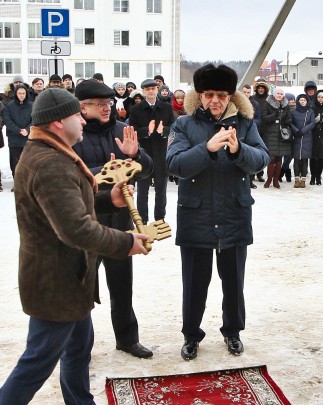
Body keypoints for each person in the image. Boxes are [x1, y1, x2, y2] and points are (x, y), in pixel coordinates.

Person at [0, 88, 148, 405]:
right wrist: (126, 242)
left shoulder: (51, 152)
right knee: (36, 364)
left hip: (70, 279)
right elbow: (75, 228)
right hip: (56, 284)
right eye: (76, 115)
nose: (83, 119)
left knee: (79, 349)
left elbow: (67, 205)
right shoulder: (50, 162)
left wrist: (110, 199)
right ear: (57, 122)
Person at [166, 64, 269, 361]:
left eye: (221, 95)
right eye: (209, 94)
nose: (215, 101)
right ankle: (191, 335)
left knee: (234, 281)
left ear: (230, 97)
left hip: (234, 213)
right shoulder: (183, 125)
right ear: (199, 96)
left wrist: (239, 152)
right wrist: (208, 149)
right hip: (196, 215)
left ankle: (233, 331)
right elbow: (175, 164)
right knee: (195, 282)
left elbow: (261, 158)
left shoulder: (245, 124)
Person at [73, 79, 155, 359]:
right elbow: (70, 175)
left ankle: (127, 339)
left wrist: (136, 155)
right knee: (83, 289)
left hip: (120, 223)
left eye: (109, 103)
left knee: (122, 286)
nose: (106, 108)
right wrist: (106, 169)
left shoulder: (123, 130)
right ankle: (80, 347)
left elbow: (146, 170)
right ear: (82, 108)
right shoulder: (75, 135)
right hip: (87, 223)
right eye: (99, 104)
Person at [129, 79, 175, 222]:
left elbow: (174, 128)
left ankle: (160, 218)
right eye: (147, 89)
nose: (150, 91)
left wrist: (164, 131)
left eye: (153, 88)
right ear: (143, 91)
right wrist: (146, 131)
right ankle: (142, 220)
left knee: (161, 190)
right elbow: (132, 130)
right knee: (142, 190)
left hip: (161, 153)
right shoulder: (136, 109)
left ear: (157, 89)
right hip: (144, 153)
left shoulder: (166, 108)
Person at [261, 87, 293, 188]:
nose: (279, 95)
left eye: (281, 94)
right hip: (271, 134)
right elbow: (263, 117)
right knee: (272, 157)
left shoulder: (286, 105)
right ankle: (269, 179)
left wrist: (287, 121)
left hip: (282, 134)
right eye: (277, 93)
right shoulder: (268, 104)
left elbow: (289, 117)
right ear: (274, 94)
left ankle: (276, 180)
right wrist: (274, 116)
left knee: (279, 158)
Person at [3, 84, 32, 190]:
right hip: (14, 138)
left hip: (28, 138)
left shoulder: (31, 105)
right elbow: (7, 120)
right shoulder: (9, 106)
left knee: (28, 161)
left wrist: (27, 130)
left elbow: (34, 119)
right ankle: (17, 184)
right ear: (16, 94)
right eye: (19, 93)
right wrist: (18, 130)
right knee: (15, 162)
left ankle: (27, 184)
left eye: (23, 93)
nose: (21, 95)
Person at [291, 94, 316, 188]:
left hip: (307, 138)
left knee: (305, 160)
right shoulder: (293, 112)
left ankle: (303, 179)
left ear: (307, 102)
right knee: (296, 159)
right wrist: (296, 131)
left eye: (304, 100)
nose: (302, 102)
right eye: (301, 100)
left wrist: (303, 131)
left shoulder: (310, 112)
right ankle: (297, 179)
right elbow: (290, 123)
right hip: (296, 138)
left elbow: (313, 123)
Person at [242, 84, 262, 189]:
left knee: (250, 155)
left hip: (251, 132)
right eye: (244, 92)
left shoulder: (255, 104)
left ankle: (250, 180)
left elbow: (259, 118)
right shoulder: (236, 103)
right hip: (239, 132)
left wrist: (252, 124)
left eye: (248, 92)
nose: (246, 94)